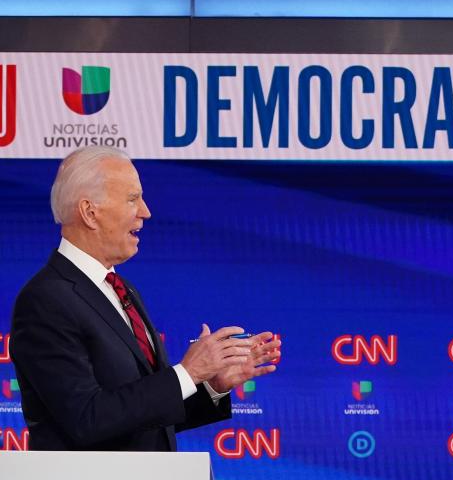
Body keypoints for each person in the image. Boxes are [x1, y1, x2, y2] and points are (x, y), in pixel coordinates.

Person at [9, 147, 280, 450]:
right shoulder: (46, 300)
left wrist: (211, 386)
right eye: (132, 199)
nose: (146, 211)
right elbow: (86, 419)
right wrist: (186, 373)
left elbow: (147, 418)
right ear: (89, 212)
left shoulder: (121, 288)